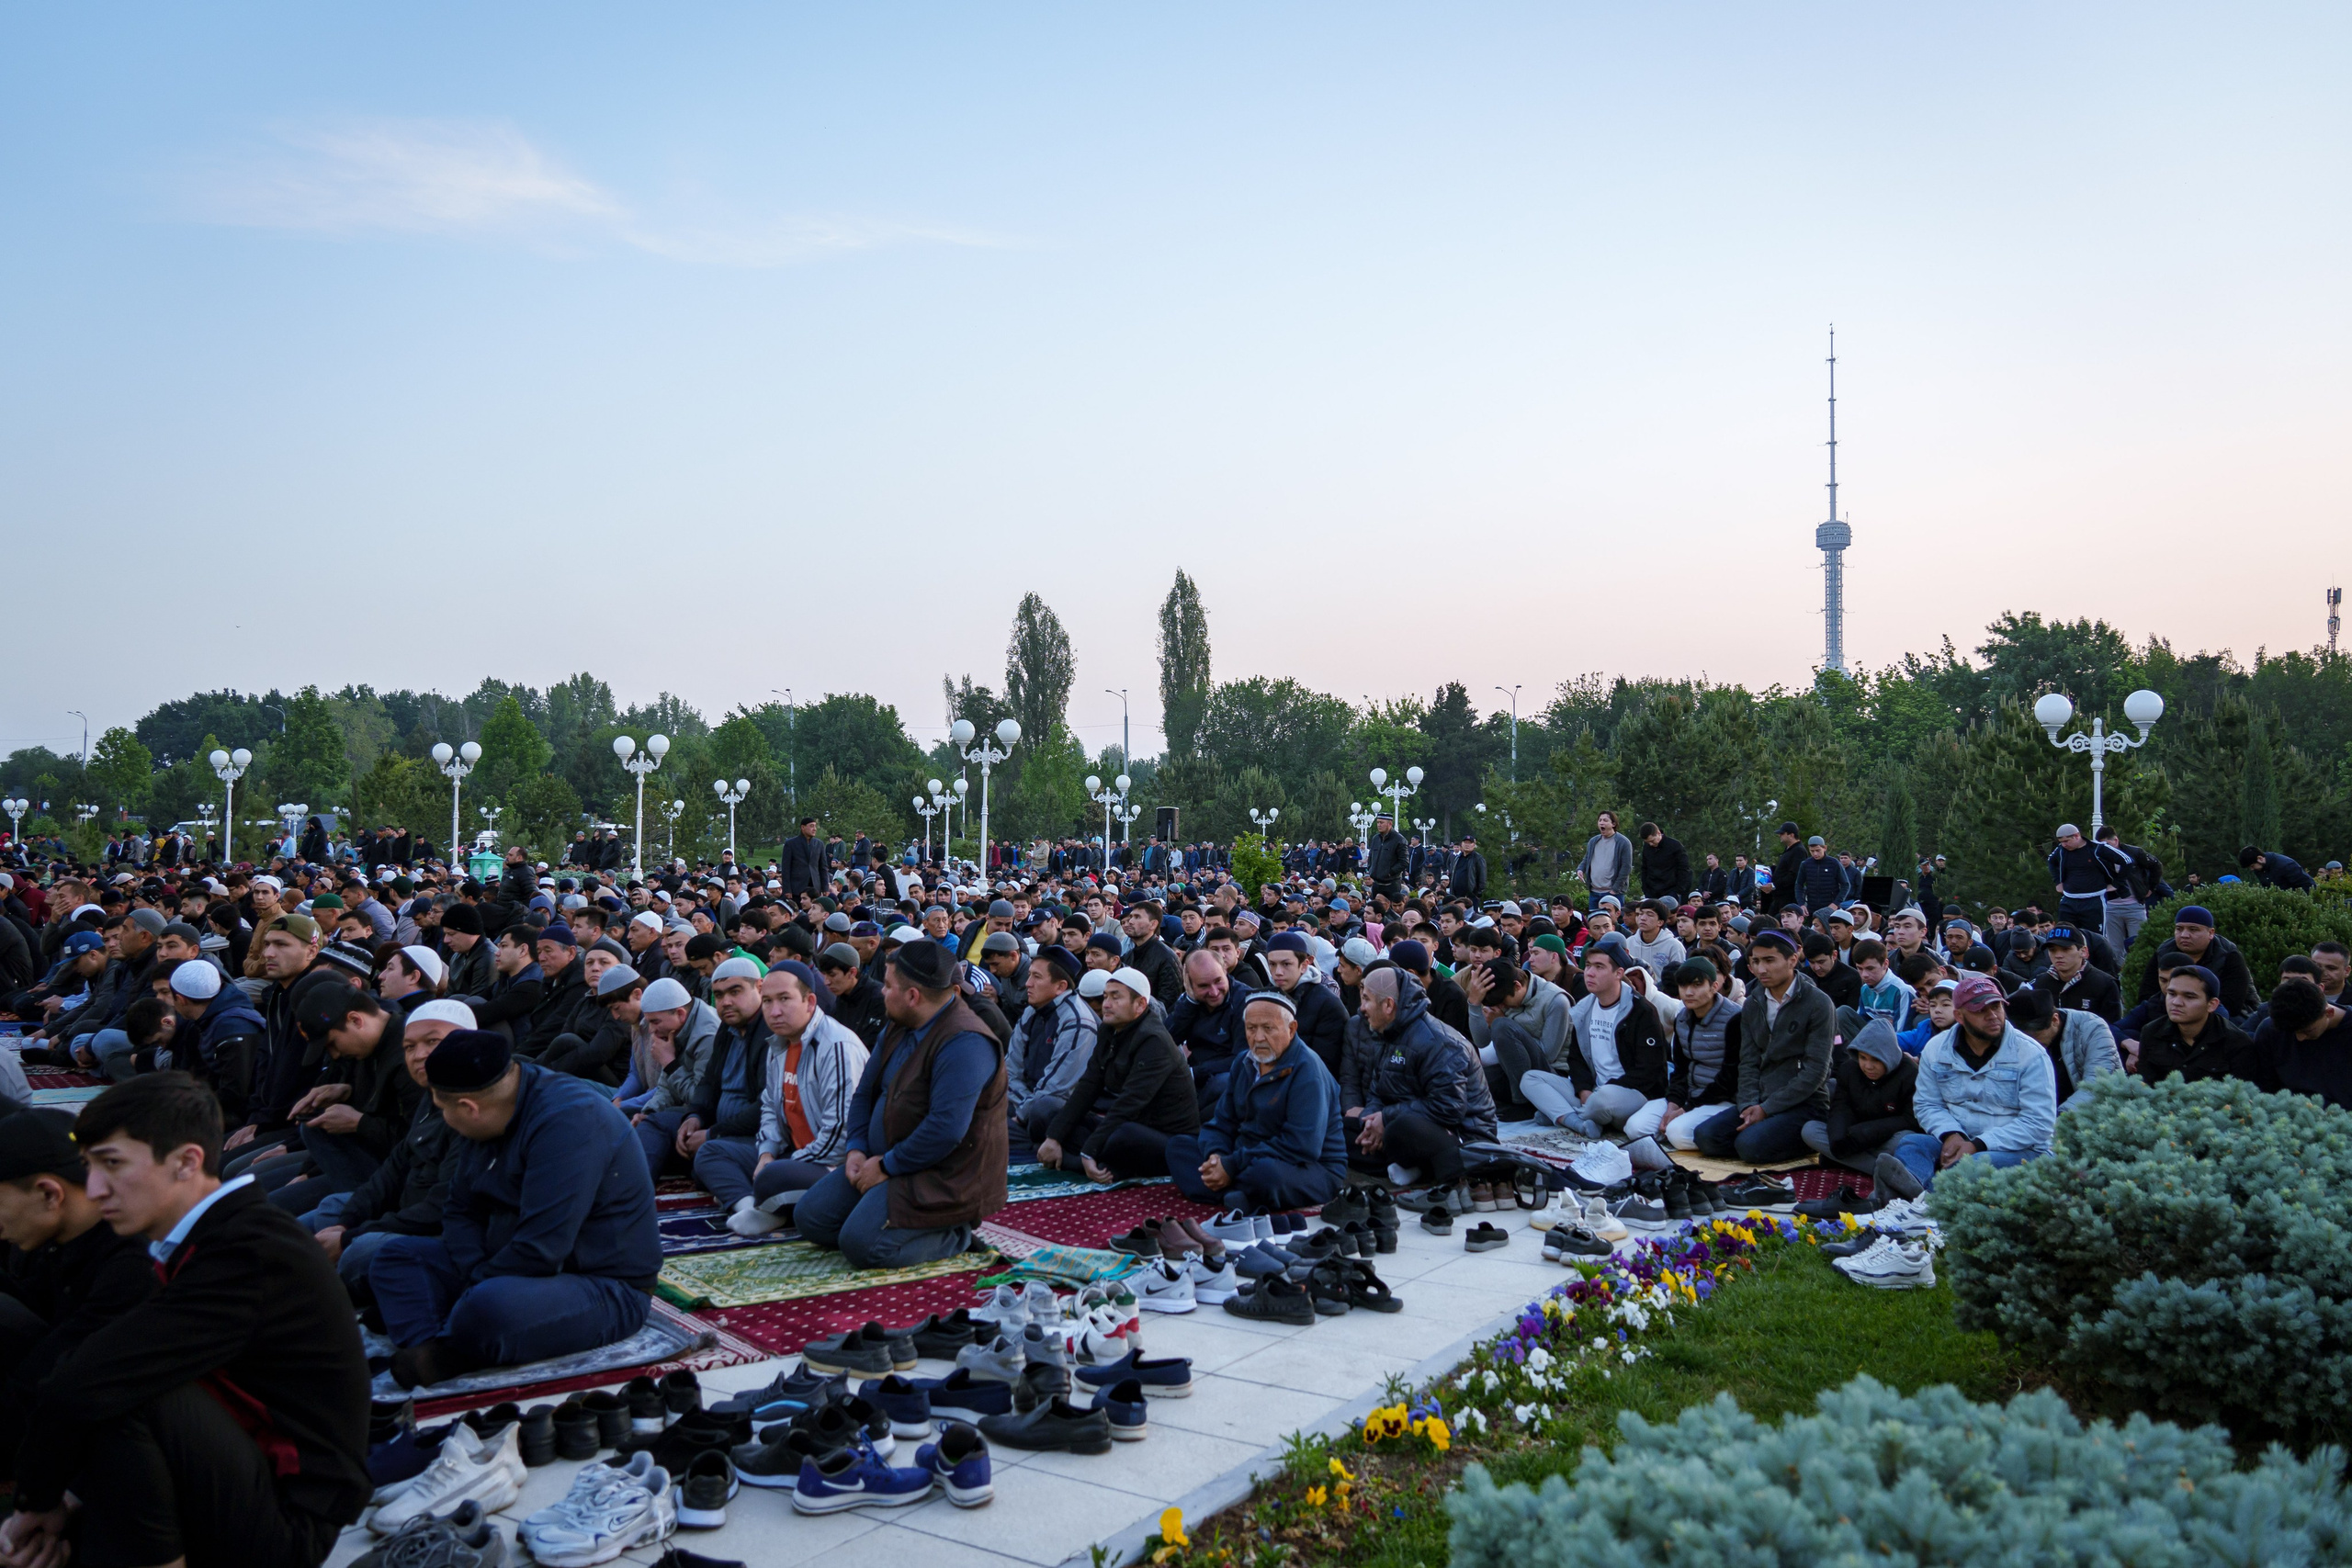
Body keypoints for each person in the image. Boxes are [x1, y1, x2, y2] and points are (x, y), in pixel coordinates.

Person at [1, 1074, 370, 1568]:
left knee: (117, 1390)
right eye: (88, 1167)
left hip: (287, 1522)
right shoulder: (206, 1239)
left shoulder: (249, 1250)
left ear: (186, 1163)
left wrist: (38, 1500)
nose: (92, 1188)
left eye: (111, 1164)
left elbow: (83, 1382)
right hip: (240, 1472)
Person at [369, 1028, 659, 1387]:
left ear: (469, 1108)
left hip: (601, 1283)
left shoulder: (568, 1121)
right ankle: (438, 1347)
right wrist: (473, 1272)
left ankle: (451, 1344)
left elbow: (542, 1249)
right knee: (394, 1259)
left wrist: (473, 1288)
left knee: (490, 1307)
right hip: (501, 1263)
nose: (444, 1119)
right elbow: (459, 1210)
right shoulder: (490, 1113)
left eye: (443, 1110)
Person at [796, 939, 1005, 1269]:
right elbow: (865, 1092)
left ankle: (956, 1233)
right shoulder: (901, 1023)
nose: (881, 992)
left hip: (940, 1174)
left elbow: (945, 1131)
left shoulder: (965, 1041)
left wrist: (886, 1167)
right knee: (811, 1218)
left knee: (862, 1247)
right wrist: (856, 1149)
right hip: (885, 1159)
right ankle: (887, 1215)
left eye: (889, 985)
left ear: (913, 996)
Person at [0, 1109, 154, 1475]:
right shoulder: (70, 1232)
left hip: (106, 1429)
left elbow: (53, 1386)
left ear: (50, 1194)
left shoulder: (132, 1268)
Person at [316, 1000, 473, 1303]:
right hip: (405, 1212)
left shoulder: (471, 1108)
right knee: (332, 1210)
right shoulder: (432, 1097)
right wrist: (345, 1224)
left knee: (359, 1251)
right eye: (410, 1047)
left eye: (432, 1042)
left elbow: (442, 1206)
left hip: (440, 1232)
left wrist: (350, 1237)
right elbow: (393, 1169)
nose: (419, 1055)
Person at [700, 963, 869, 1235]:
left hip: (832, 1163)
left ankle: (768, 1200)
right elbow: (769, 1105)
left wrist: (779, 1166)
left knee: (773, 1177)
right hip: (792, 1152)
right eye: (767, 1001)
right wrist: (766, 1152)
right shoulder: (779, 1043)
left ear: (810, 1001)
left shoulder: (837, 1046)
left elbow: (840, 1136)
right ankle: (753, 1207)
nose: (774, 1011)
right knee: (711, 1152)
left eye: (784, 999)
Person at [1873, 975, 2057, 1198]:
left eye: (1997, 1006)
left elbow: (2038, 1123)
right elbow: (1926, 1104)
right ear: (1959, 1016)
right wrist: (1951, 1135)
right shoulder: (1936, 1049)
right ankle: (1914, 1191)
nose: (1993, 1016)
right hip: (1960, 1140)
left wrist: (1979, 1144)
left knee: (1976, 1164)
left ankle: (1923, 1202)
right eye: (1981, 1010)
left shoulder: (2030, 1054)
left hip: (2021, 1150)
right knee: (1912, 1143)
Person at [1166, 990, 1347, 1211]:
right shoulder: (1244, 1062)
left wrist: (1232, 1165)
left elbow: (1302, 1146)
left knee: (1265, 1174)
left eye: (1268, 1028)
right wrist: (1217, 1156)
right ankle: (1238, 1194)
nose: (1258, 1037)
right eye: (1251, 1028)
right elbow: (1222, 1122)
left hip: (1307, 1166)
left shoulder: (1308, 1070)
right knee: (1178, 1147)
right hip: (1247, 1154)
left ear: (1291, 1030)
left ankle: (1230, 1192)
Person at [1037, 967, 1199, 1181]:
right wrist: (1054, 1137)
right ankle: (1092, 1162)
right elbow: (1089, 1085)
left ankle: (1077, 1162)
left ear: (1140, 1004)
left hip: (1164, 1138)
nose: (1106, 1004)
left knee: (1123, 1135)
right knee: (1046, 1111)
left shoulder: (1154, 1040)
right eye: (1105, 996)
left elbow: (1131, 1103)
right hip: (1124, 1122)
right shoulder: (1109, 1029)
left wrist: (1089, 1150)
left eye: (1115, 997)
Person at [1346, 967, 1496, 1192]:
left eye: (1366, 999)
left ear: (1388, 1005)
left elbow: (1449, 1108)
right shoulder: (1386, 1034)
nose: (1362, 1008)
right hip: (1406, 1126)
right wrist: (1371, 1121)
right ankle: (1414, 1168)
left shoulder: (1439, 1042)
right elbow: (1377, 1092)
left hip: (1459, 1137)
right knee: (1340, 1130)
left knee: (1402, 1129)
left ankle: (1425, 1169)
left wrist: (1385, 1118)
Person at [1693, 930, 1833, 1165]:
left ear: (1792, 960)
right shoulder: (1754, 1002)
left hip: (1804, 1103)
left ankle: (1795, 1140)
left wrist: (1767, 1109)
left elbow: (1816, 1072)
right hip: (1760, 1097)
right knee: (1706, 1137)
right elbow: (1748, 1061)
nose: (1761, 969)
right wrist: (1749, 1104)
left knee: (1749, 1146)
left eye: (1769, 960)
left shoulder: (1818, 1003)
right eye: (1755, 962)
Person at [1516, 943, 1671, 1139]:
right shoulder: (1585, 1007)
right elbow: (1576, 1059)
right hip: (1594, 1089)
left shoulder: (1641, 1011)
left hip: (1631, 1092)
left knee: (1602, 1101)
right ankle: (1578, 1122)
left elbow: (1650, 1070)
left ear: (1618, 973)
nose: (1589, 973)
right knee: (1530, 1079)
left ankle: (1561, 1113)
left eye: (1599, 967)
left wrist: (1600, 1092)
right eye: (1588, 965)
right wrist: (1584, 1090)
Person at [634, 957, 763, 1179]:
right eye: (720, 995)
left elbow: (765, 1106)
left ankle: (632, 1192)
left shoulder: (710, 1034)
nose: (726, 1002)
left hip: (740, 1131)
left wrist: (670, 1064)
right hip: (713, 1121)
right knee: (640, 1121)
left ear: (759, 988)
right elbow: (706, 1086)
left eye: (735, 992)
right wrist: (693, 1116)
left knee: (700, 1157)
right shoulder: (727, 1030)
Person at [1802, 1018, 1917, 1173]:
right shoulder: (1849, 1068)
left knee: (1906, 1141)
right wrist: (1837, 1135)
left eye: (1876, 1060)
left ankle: (1855, 1163)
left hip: (1885, 1136)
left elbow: (1911, 1119)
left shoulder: (1909, 1073)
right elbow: (1841, 1105)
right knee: (1810, 1130)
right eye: (1863, 1058)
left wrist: (1869, 1131)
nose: (1868, 1066)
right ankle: (1882, 1170)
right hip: (1853, 1134)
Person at [1658, 956, 1741, 1149]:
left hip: (1722, 1100)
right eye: (1683, 986)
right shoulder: (1682, 1018)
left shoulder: (1734, 1019)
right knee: (1638, 1128)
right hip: (1690, 1094)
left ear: (1714, 986)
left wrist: (1687, 1108)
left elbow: (1730, 1077)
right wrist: (1674, 1103)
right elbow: (1681, 1069)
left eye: (1696, 985)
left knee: (1677, 1133)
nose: (1688, 992)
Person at [2002, 985, 2122, 1113]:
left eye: (2035, 1036)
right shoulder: (2009, 1037)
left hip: (2091, 1115)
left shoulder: (2092, 1027)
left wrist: (2061, 1119)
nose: (2030, 1043)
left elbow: (2097, 1085)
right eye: (2023, 1038)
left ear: (2055, 1020)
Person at [1165, 947, 1250, 1118]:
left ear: (1225, 970)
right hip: (1195, 1072)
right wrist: (1190, 1003)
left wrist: (1194, 1073)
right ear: (1188, 982)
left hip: (1225, 1078)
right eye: (1203, 986)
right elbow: (1166, 1040)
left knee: (1223, 1083)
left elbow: (1243, 1058)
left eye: (1218, 981)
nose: (1214, 992)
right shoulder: (1189, 1001)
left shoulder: (1246, 1001)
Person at [2244, 976, 2352, 1108]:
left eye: (2307, 1031)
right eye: (2292, 1033)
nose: (2300, 1038)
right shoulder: (2271, 1030)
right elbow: (2264, 1088)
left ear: (2329, 1013)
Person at [2132, 905, 2258, 1015]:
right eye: (2179, 929)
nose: (2184, 935)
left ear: (2211, 933)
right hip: (2169, 1013)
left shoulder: (2228, 954)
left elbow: (2232, 1003)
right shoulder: (2164, 951)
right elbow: (2146, 995)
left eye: (2193, 929)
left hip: (2223, 1015)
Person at [1262, 931, 1347, 1073]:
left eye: (1286, 964)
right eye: (1272, 964)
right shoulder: (1263, 997)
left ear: (1304, 965)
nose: (1278, 972)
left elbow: (1324, 1065)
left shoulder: (1327, 1005)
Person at [2094, 826, 2170, 956]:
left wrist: (2151, 888)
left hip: (2135, 906)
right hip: (2111, 908)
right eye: (2101, 845)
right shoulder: (2100, 858)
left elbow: (2156, 865)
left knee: (2138, 946)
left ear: (2116, 840)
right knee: (2115, 950)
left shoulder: (2135, 853)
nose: (2105, 848)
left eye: (2107, 844)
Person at [2045, 823, 2132, 931]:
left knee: (2094, 937)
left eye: (2067, 841)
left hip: (2093, 900)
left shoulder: (2097, 848)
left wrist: (2117, 883)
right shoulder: (2061, 850)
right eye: (2061, 842)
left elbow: (2127, 861)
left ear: (2077, 836)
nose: (2064, 845)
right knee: (2066, 936)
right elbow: (2051, 861)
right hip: (2069, 900)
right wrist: (2058, 882)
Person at [2030, 926, 2120, 1023]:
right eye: (2052, 950)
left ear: (2084, 952)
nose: (2058, 955)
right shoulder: (2039, 983)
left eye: (2065, 949)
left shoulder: (2105, 984)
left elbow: (2112, 1027)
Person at [1577, 812, 1633, 904]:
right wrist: (1580, 869)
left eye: (1605, 820)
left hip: (1613, 893)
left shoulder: (1623, 842)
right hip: (1594, 892)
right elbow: (1587, 858)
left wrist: (1615, 890)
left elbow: (1626, 868)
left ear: (1613, 824)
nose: (1601, 823)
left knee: (1612, 918)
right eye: (1600, 820)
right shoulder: (1593, 841)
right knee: (1594, 918)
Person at [1637, 823, 1690, 903]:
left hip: (1671, 891)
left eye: (1652, 841)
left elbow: (1684, 868)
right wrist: (1645, 889)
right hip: (1651, 891)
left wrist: (1678, 890)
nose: (1650, 844)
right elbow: (1644, 868)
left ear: (1658, 833)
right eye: (1647, 842)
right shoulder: (1647, 847)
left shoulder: (1675, 846)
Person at [780, 818, 829, 900]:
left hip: (815, 887)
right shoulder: (791, 843)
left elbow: (823, 867)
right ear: (803, 827)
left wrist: (825, 888)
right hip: (797, 887)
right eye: (811, 826)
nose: (815, 829)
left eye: (815, 826)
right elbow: (786, 868)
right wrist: (787, 889)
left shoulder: (819, 844)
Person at [2239, 845, 2317, 891]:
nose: (2252, 869)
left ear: (2260, 859)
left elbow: (2308, 885)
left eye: (2252, 866)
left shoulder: (2286, 865)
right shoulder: (2259, 868)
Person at [1447, 835, 1487, 904]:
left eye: (1469, 843)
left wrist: (1478, 893)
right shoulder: (1458, 858)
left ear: (1474, 845)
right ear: (1461, 844)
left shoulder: (1478, 858)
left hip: (1470, 896)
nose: (1467, 845)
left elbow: (1482, 877)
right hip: (1456, 895)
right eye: (1465, 842)